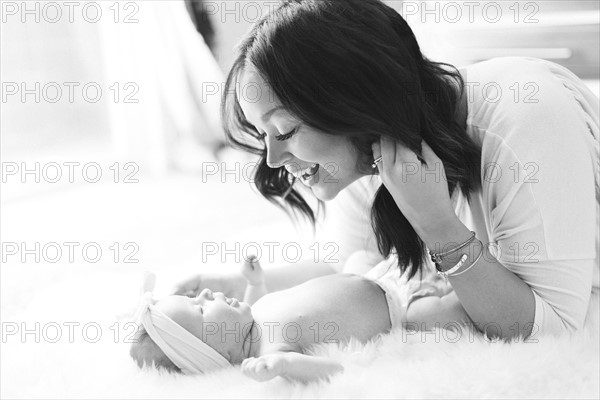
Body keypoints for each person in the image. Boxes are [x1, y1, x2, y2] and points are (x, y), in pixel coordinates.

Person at [175, 0, 599, 339]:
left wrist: (437, 225)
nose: (271, 160)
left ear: (353, 103)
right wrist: (244, 284)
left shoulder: (526, 119)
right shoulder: (371, 154)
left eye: (284, 130)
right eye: (263, 135)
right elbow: (355, 269)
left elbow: (551, 329)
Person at [132, 257, 468, 382]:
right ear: (223, 353)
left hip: (376, 275)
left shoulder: (253, 317)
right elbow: (334, 371)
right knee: (447, 313)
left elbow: (258, 299)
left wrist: (255, 282)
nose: (207, 295)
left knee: (358, 256)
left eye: (197, 297)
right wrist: (283, 366)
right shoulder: (270, 349)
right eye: (201, 310)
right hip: (400, 311)